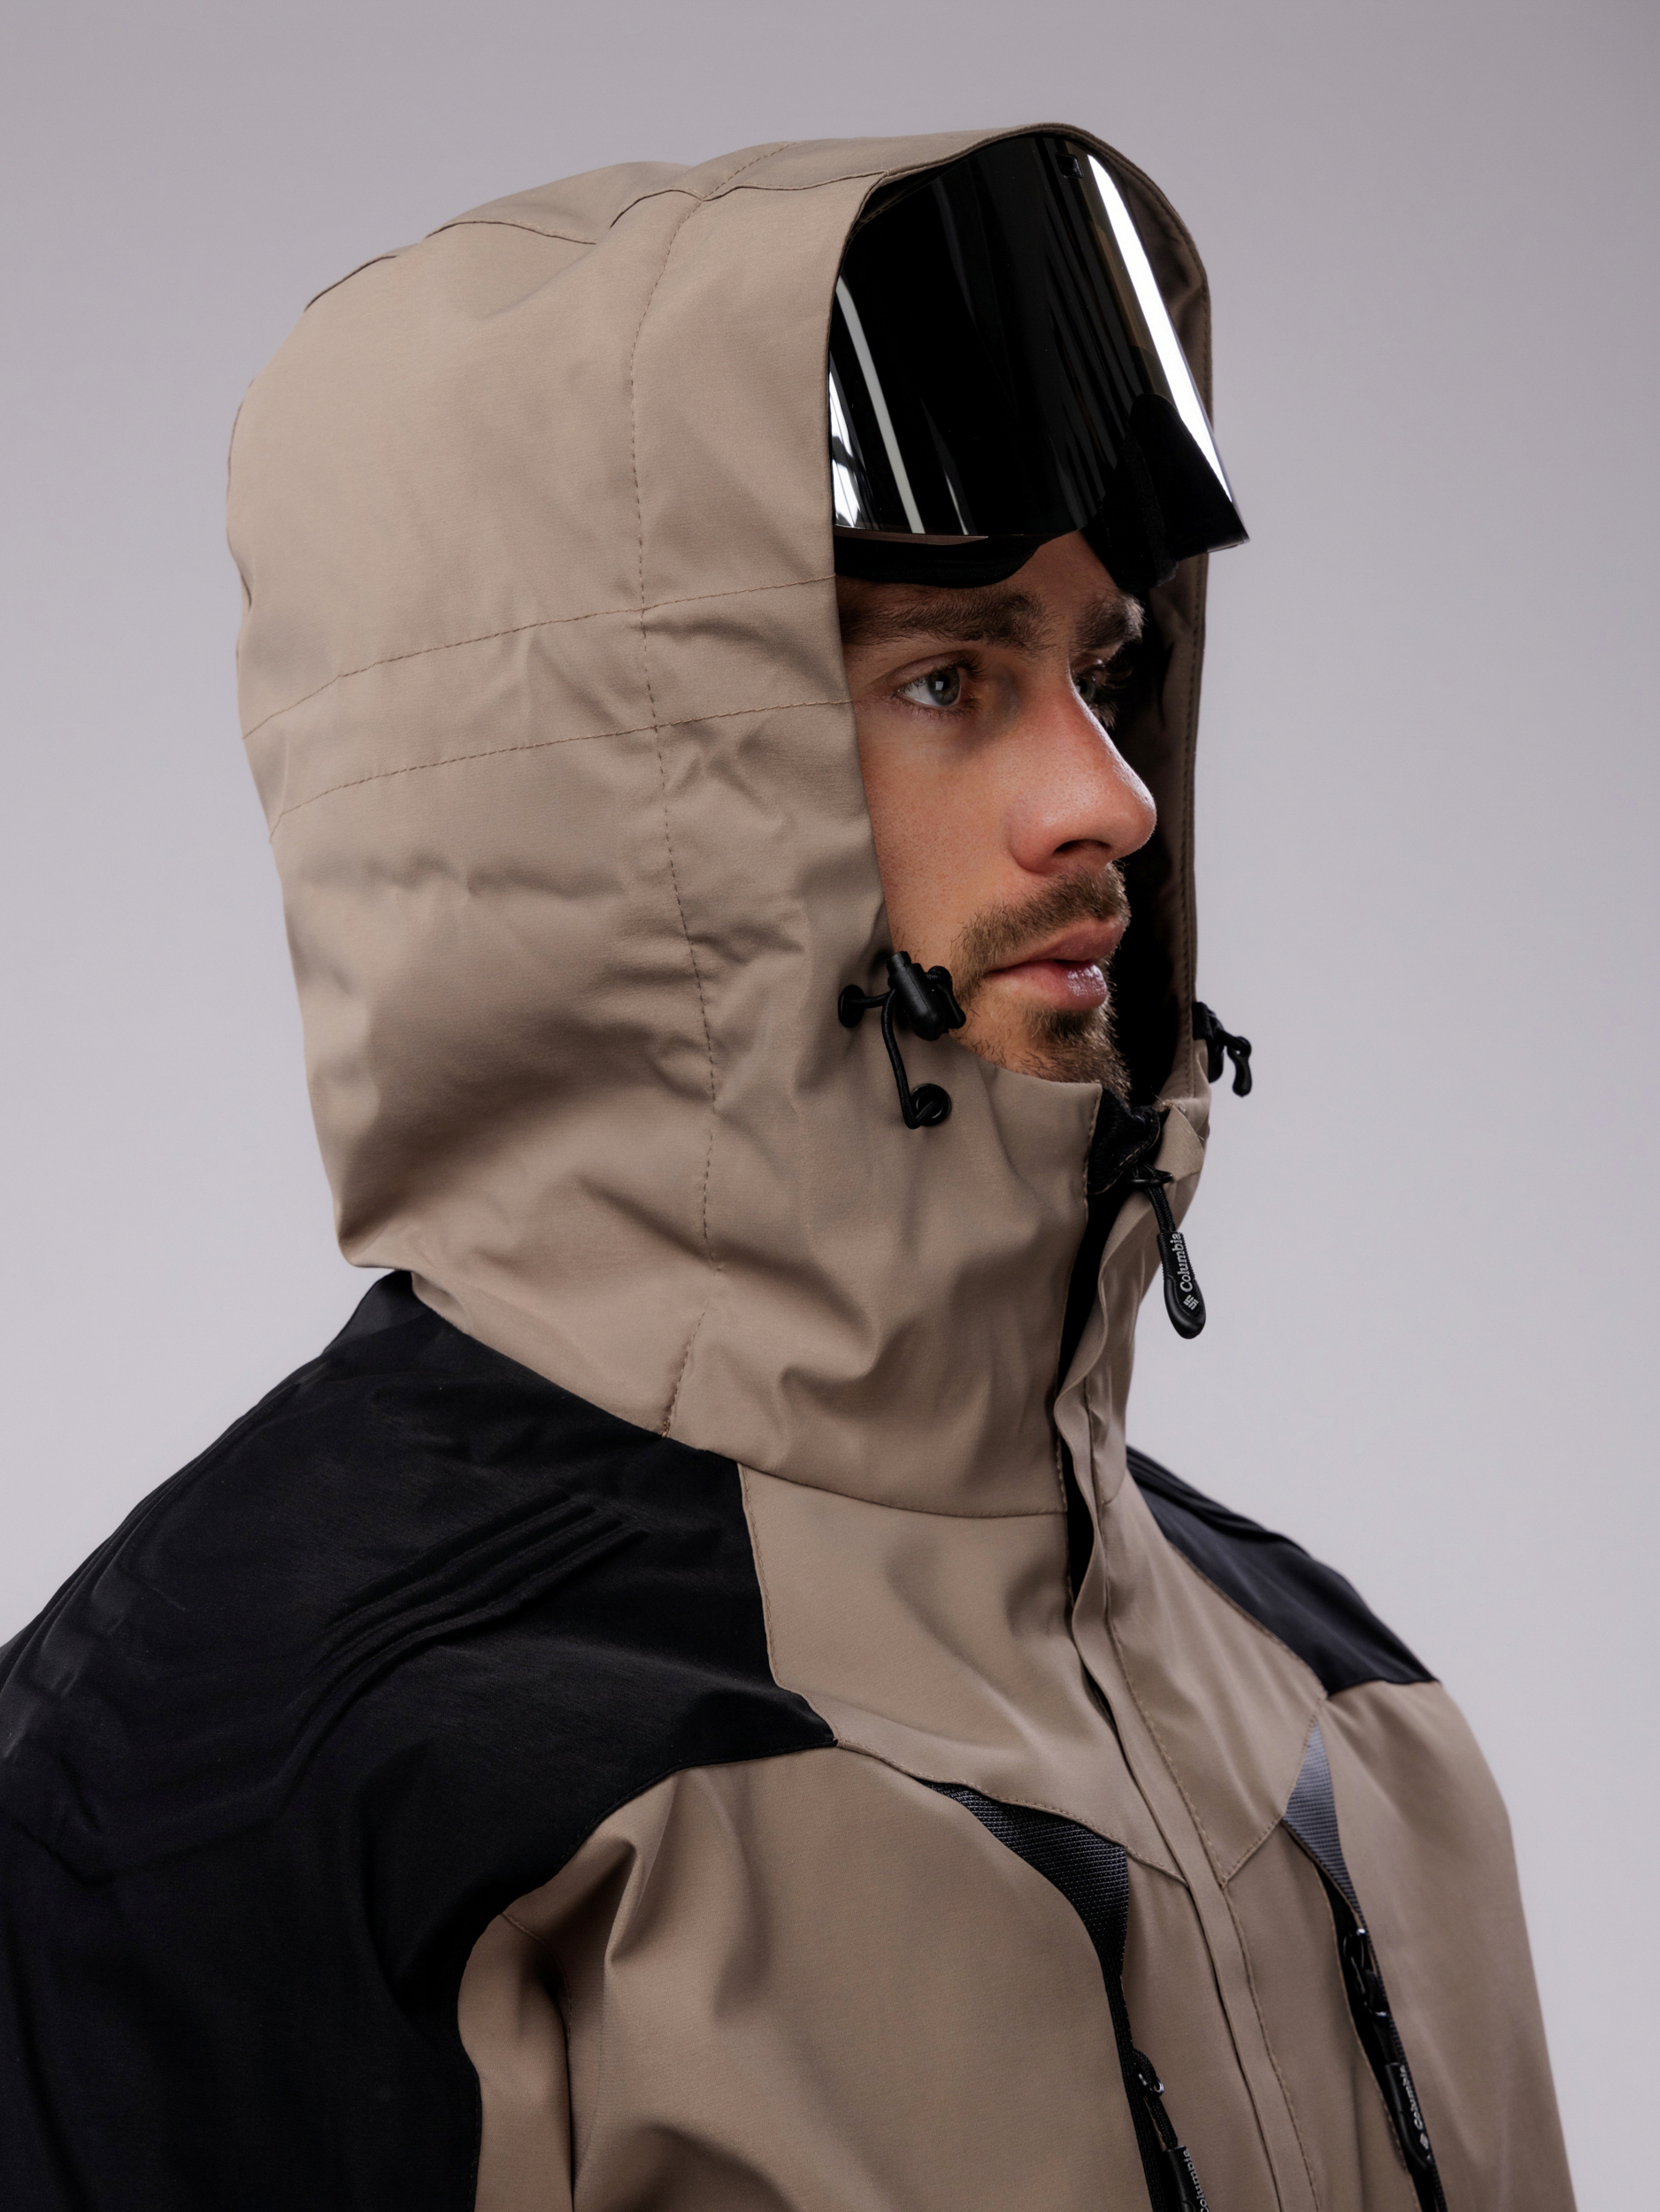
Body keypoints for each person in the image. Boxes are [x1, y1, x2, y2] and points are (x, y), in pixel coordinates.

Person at [0, 127, 1574, 2212]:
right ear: (605, 803)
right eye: (946, 677)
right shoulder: (249, 1778)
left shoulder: (1351, 1723)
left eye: (1103, 668)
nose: (1105, 797)